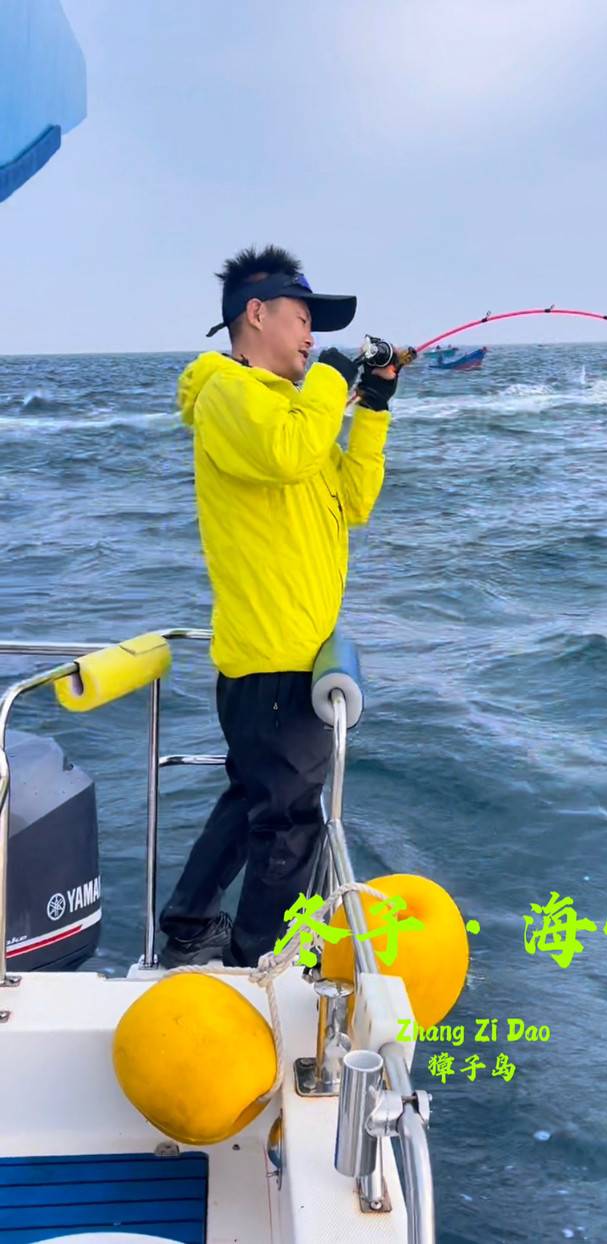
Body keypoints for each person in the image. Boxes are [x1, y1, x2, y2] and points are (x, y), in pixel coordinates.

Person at [158, 245, 399, 968]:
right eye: (303, 320)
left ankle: (188, 925)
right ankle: (261, 969)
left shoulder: (291, 413)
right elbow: (289, 453)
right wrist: (333, 378)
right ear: (256, 314)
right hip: (273, 658)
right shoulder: (230, 395)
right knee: (289, 823)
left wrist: (374, 408)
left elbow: (353, 501)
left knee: (252, 802)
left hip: (291, 653)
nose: (312, 338)